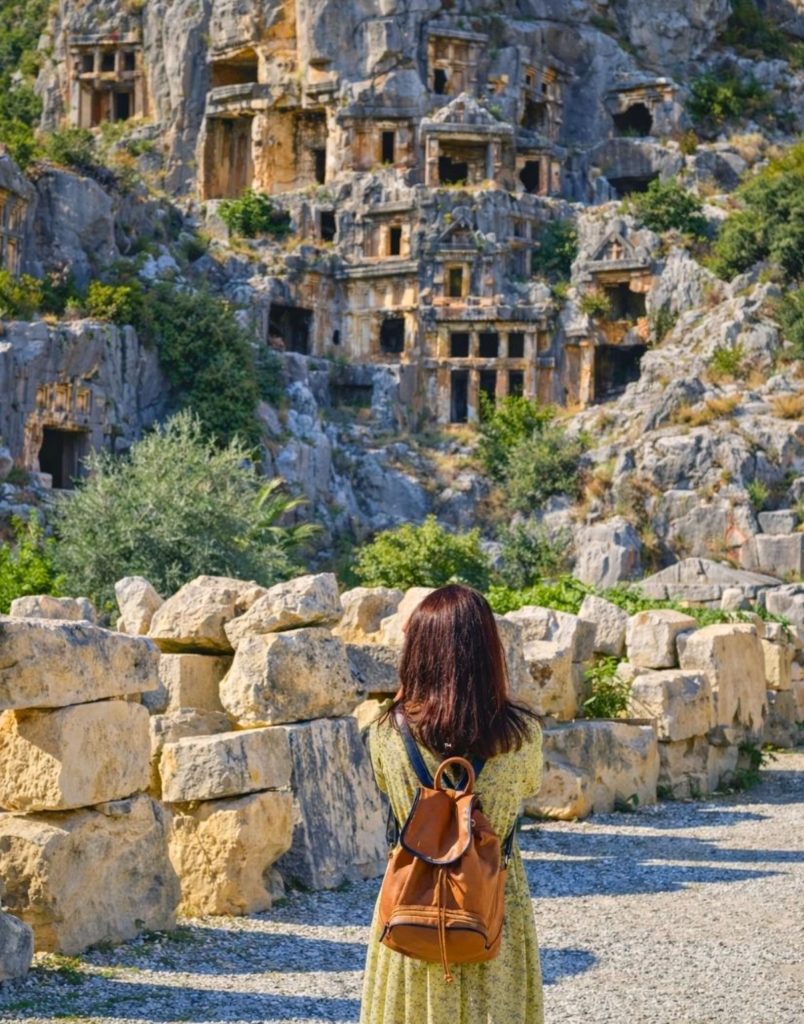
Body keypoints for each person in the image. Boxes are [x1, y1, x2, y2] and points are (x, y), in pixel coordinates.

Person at [360, 583, 544, 1024]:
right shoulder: (522, 737)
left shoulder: (386, 735)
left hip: (413, 902)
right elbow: (530, 786)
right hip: (492, 900)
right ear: (487, 652)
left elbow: (389, 790)